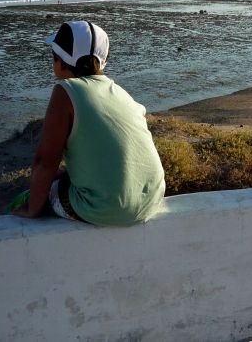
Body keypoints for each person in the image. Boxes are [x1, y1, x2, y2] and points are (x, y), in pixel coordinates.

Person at [10, 21, 166, 226]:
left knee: (26, 198)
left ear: (60, 61)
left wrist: (31, 209)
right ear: (103, 62)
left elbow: (45, 162)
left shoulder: (65, 91)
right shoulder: (121, 93)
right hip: (152, 200)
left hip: (107, 207)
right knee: (62, 177)